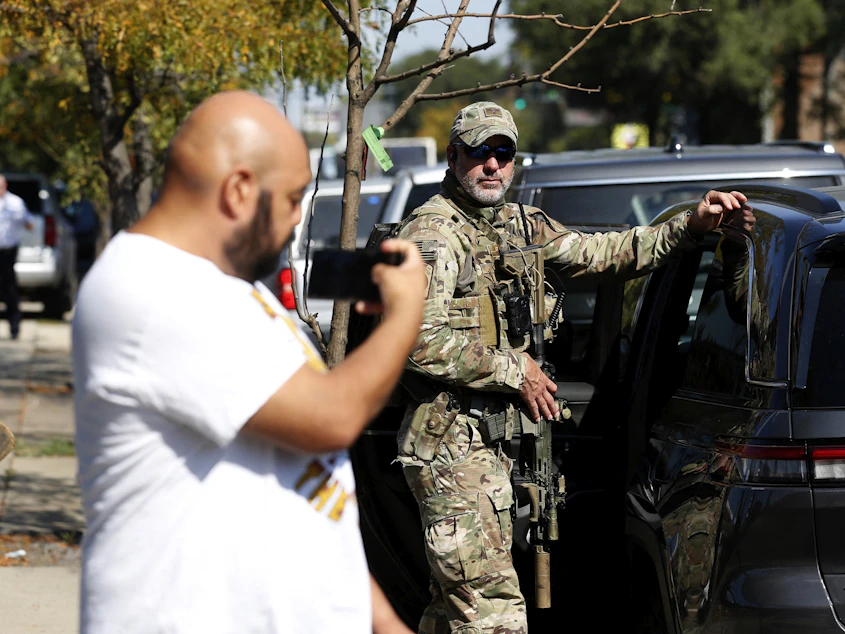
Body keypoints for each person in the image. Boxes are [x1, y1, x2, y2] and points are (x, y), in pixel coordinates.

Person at [394, 101, 754, 634]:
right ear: (453, 157)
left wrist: (692, 223)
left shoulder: (517, 224)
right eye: (479, 153)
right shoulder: (432, 236)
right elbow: (415, 340)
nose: (492, 166)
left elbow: (609, 252)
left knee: (450, 610)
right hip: (450, 448)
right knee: (493, 615)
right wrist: (514, 371)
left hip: (486, 448)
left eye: (503, 153)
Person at [72, 91, 425, 634]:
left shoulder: (231, 293)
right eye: (291, 199)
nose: (295, 220)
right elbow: (331, 418)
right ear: (238, 190)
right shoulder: (151, 290)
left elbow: (307, 492)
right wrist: (406, 312)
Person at [0, 175, 34, 339]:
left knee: (10, 289)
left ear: (5, 185)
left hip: (8, 251)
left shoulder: (15, 203)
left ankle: (14, 327)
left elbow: (30, 223)